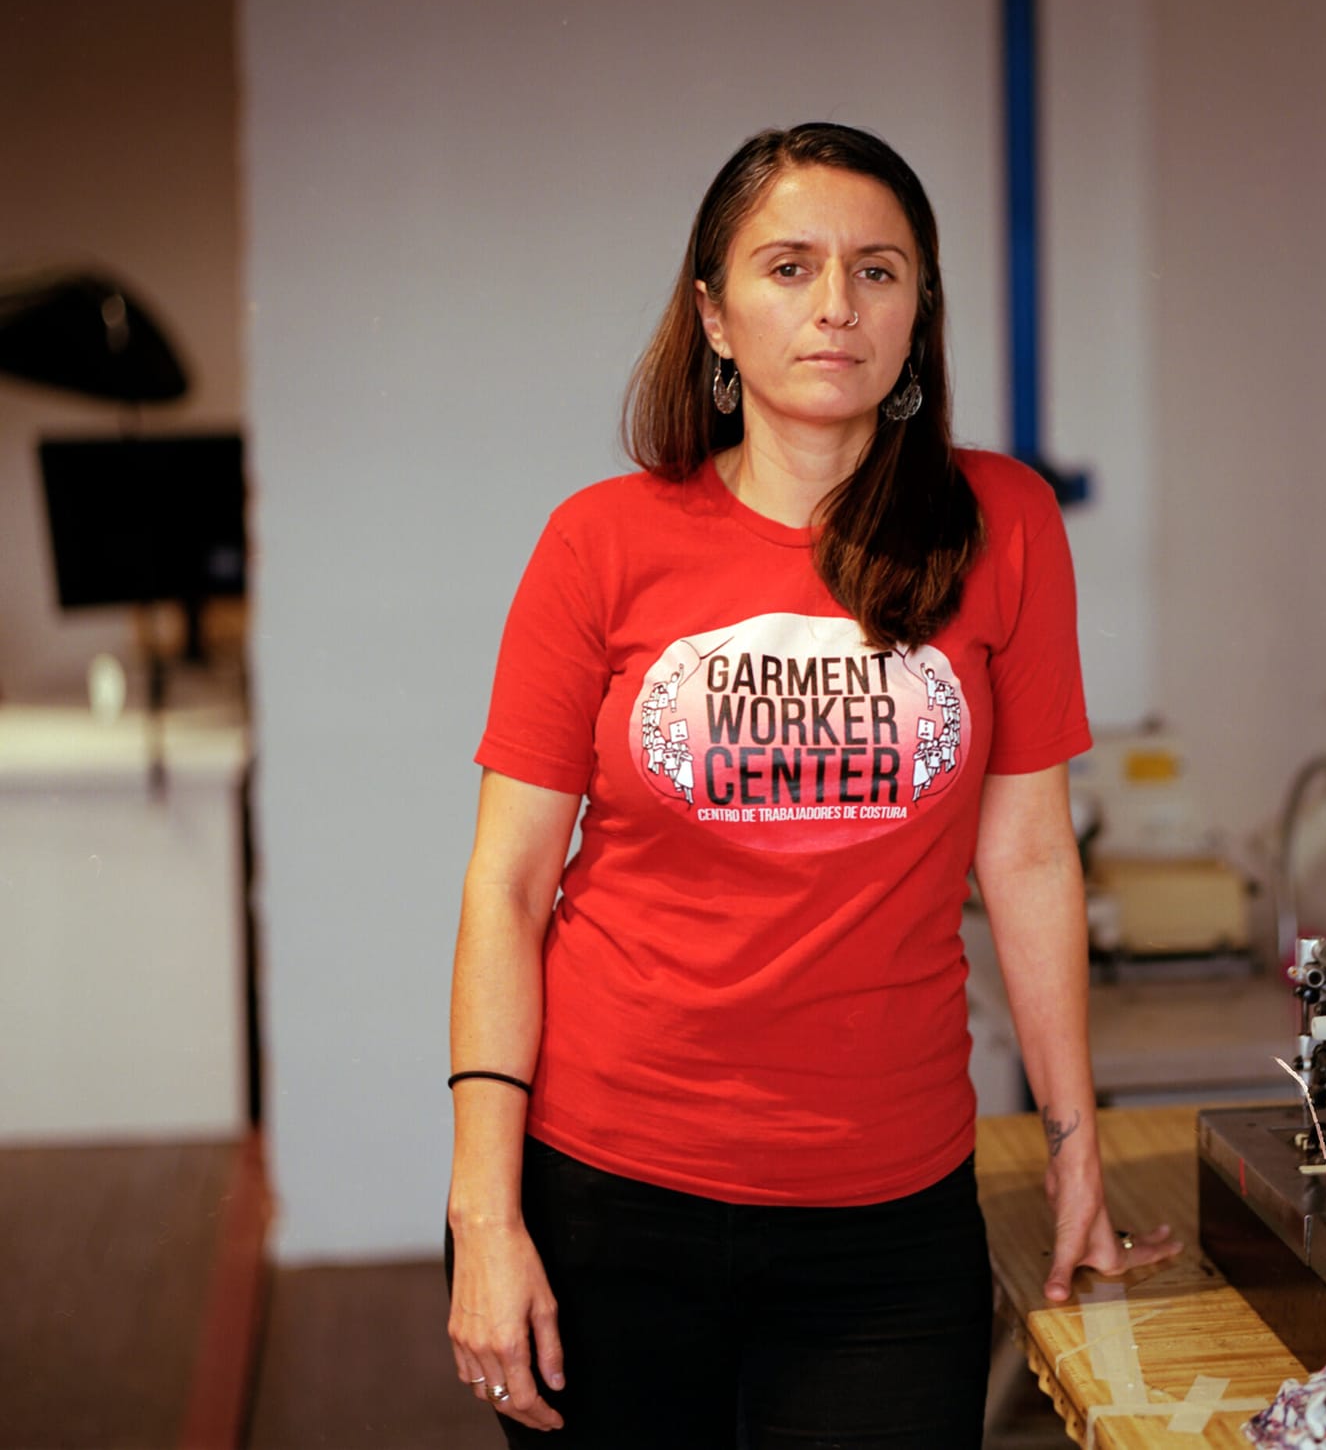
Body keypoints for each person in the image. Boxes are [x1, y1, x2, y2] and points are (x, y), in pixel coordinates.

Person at [444, 122, 1178, 1447]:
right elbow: (506, 886)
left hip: (885, 1222)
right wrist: (483, 1219)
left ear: (918, 314)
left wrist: (1078, 1153)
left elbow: (1026, 859)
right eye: (790, 267)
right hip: (609, 1196)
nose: (837, 303)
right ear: (714, 315)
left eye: (878, 270)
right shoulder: (602, 544)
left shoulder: (1001, 526)